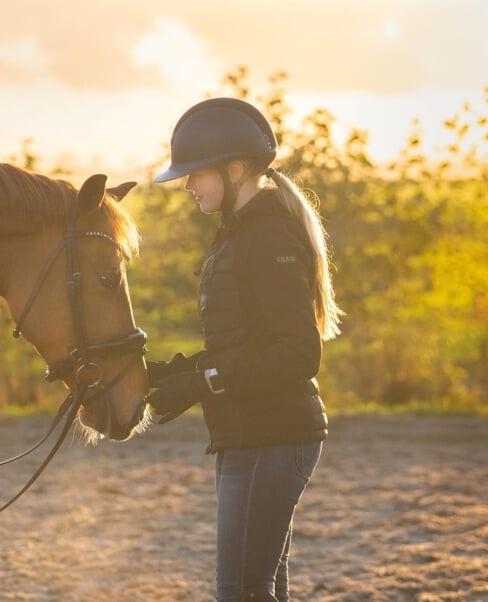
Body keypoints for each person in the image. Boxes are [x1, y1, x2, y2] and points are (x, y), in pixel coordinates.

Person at [145, 97, 343, 602]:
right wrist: (176, 373)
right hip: (247, 434)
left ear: (236, 170)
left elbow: (299, 353)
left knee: (241, 592)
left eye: (197, 174)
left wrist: (205, 382)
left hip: (273, 436)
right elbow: (243, 343)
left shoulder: (266, 236)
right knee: (259, 589)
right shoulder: (237, 234)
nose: (189, 185)